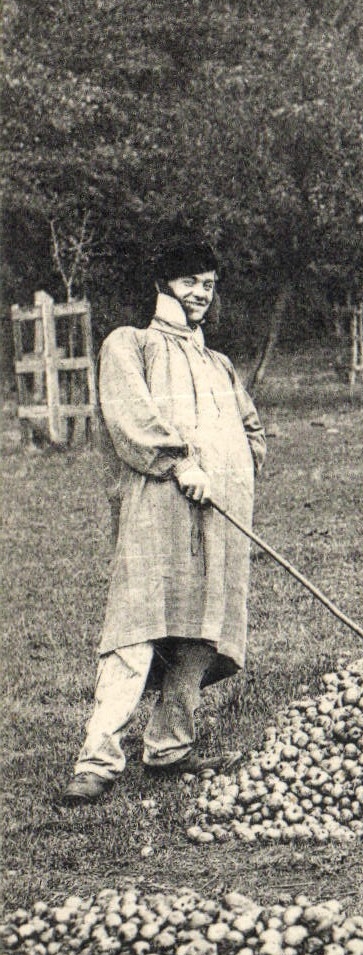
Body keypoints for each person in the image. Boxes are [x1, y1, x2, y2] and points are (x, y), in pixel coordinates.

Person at [62, 237, 266, 803]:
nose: (201, 291)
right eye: (190, 279)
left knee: (204, 629)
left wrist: (239, 467)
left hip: (222, 513)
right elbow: (131, 416)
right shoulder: (130, 344)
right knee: (139, 625)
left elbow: (251, 425)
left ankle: (170, 746)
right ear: (162, 284)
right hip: (161, 505)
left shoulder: (218, 361)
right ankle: (98, 758)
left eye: (209, 282)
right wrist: (181, 462)